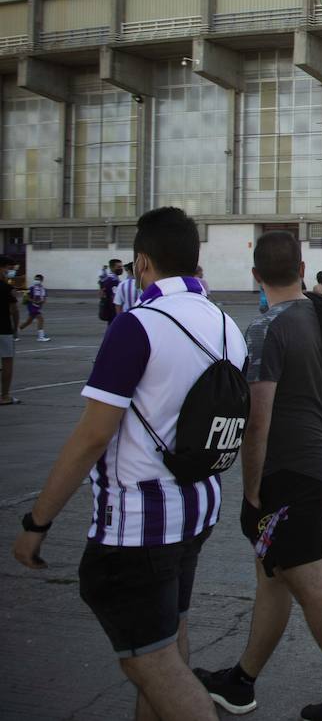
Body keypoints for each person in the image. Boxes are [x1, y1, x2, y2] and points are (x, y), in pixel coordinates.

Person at [12, 207, 247, 721]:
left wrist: (38, 521)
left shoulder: (136, 326)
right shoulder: (228, 324)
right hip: (198, 509)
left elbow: (93, 434)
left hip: (138, 526)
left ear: (142, 262)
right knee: (169, 640)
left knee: (153, 665)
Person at [194, 230, 322, 721]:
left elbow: (258, 418)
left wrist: (251, 491)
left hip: (290, 474)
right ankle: (241, 682)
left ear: (256, 276)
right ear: (303, 269)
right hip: (319, 463)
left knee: (310, 584)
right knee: (272, 577)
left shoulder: (264, 330)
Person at [0, 259, 18, 403]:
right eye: (8, 268)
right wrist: (16, 328)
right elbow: (14, 310)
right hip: (4, 328)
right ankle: (4, 395)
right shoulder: (6, 288)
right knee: (7, 361)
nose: (10, 271)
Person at [18, 273, 51, 342]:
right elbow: (26, 296)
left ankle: (15, 331)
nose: (36, 280)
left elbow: (44, 297)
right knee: (40, 319)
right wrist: (33, 301)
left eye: (38, 279)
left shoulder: (42, 289)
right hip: (32, 306)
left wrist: (42, 301)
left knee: (28, 322)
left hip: (38, 306)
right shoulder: (31, 288)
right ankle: (41, 337)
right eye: (35, 279)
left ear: (41, 280)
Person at [99, 258, 122, 324]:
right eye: (118, 267)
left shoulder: (107, 279)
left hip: (109, 310)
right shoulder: (113, 281)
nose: (121, 269)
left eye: (121, 266)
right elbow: (114, 297)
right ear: (112, 268)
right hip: (113, 311)